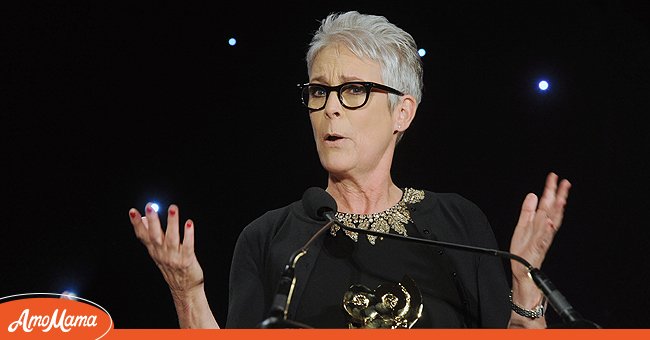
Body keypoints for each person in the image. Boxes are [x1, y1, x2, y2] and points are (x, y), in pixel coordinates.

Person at [128, 10, 571, 329]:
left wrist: (525, 280)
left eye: (354, 90)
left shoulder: (458, 224)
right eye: (319, 91)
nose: (331, 109)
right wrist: (186, 291)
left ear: (403, 113)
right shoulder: (267, 238)